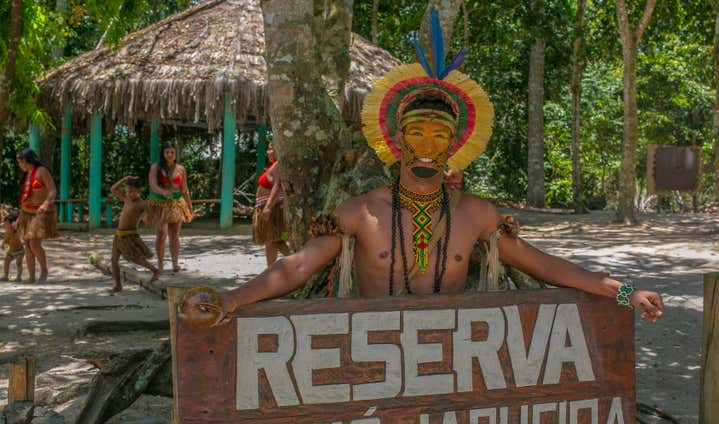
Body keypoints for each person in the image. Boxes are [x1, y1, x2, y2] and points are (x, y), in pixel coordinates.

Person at [179, 10, 664, 328]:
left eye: (439, 137)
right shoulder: (358, 213)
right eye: (417, 134)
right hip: (369, 352)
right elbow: (296, 268)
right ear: (397, 141)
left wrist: (625, 292)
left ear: (455, 145)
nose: (428, 147)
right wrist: (232, 300)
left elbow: (547, 267)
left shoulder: (477, 216)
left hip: (447, 358)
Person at [108, 176, 160, 293]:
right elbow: (113, 189)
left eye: (131, 191)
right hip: (118, 235)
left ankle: (155, 270)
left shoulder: (143, 204)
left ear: (138, 191)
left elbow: (151, 218)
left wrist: (148, 218)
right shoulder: (126, 199)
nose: (128, 193)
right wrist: (126, 178)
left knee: (135, 259)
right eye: (127, 191)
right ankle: (118, 285)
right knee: (113, 260)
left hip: (129, 235)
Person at [146, 142, 192, 273]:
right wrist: (163, 192)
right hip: (159, 204)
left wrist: (190, 205)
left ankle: (175, 264)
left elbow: (184, 189)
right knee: (161, 233)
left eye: (172, 152)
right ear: (163, 153)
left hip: (177, 204)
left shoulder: (181, 169)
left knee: (174, 234)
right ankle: (160, 264)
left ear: (175, 153)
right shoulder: (155, 167)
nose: (170, 154)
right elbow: (153, 185)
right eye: (167, 152)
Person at [16, 147, 58, 283]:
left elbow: (52, 191)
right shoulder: (26, 174)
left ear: (26, 160)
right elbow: (25, 196)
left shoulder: (42, 171)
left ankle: (44, 270)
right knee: (27, 244)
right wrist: (19, 217)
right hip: (26, 212)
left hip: (40, 212)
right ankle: (32, 276)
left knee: (34, 244)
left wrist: (46, 204)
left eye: (20, 161)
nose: (19, 165)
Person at [252, 142, 290, 266]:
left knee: (277, 239)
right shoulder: (275, 165)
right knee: (270, 240)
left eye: (270, 149)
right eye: (268, 149)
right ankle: (270, 269)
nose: (268, 152)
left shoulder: (279, 164)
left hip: (275, 211)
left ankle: (298, 261)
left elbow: (278, 186)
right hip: (273, 209)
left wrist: (268, 207)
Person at [2, 214, 24, 282]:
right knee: (6, 262)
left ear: (13, 224)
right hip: (11, 251)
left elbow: (19, 224)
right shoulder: (7, 232)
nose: (5, 225)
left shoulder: (16, 231)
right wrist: (2, 244)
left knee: (19, 263)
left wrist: (16, 224)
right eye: (4, 224)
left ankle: (19, 277)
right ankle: (6, 276)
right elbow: (6, 239)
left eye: (7, 224)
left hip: (19, 251)